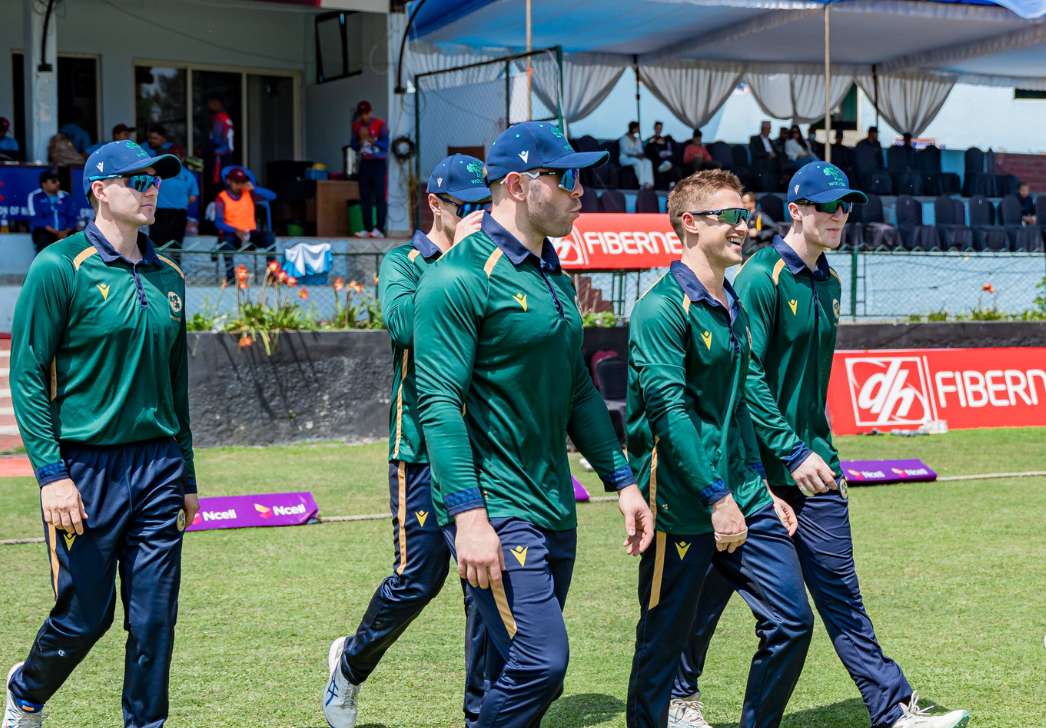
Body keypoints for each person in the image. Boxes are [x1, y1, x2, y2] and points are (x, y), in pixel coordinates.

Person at [669, 162, 972, 728]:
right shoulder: (760, 277)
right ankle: (679, 697)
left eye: (845, 206)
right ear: (796, 211)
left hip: (815, 467)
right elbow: (747, 377)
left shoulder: (829, 282)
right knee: (708, 598)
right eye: (827, 206)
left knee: (840, 592)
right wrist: (785, 453)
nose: (839, 215)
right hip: (757, 469)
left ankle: (893, 708)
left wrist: (815, 451)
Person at [414, 122, 653, 728]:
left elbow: (578, 389)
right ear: (519, 186)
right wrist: (468, 517)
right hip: (495, 505)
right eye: (567, 178)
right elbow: (438, 402)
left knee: (506, 668)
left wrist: (622, 482)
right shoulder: (457, 277)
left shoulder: (553, 272)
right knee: (542, 660)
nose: (581, 192)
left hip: (553, 504)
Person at [3, 140, 199, 728]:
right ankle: (27, 692)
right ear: (99, 191)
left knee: (154, 617)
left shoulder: (171, 277)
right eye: (136, 181)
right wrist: (51, 475)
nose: (150, 190)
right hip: (85, 469)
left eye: (155, 181)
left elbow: (177, 384)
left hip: (160, 467)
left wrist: (186, 473)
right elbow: (27, 375)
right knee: (86, 617)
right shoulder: (60, 267)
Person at [624, 169, 812, 728]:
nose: (743, 226)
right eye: (728, 216)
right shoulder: (661, 309)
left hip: (745, 493)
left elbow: (742, 400)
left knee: (792, 622)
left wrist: (757, 481)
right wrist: (715, 495)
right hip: (684, 504)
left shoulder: (733, 302)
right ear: (689, 223)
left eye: (745, 215)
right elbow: (669, 414)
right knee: (662, 646)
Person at [323, 154, 494, 728]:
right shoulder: (405, 261)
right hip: (419, 448)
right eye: (466, 207)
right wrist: (454, 258)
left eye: (485, 206)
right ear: (437, 206)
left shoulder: (494, 263)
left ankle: (482, 715)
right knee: (418, 580)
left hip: (482, 452)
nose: (478, 218)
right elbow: (404, 326)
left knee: (484, 587)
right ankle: (349, 665)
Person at [212, 166, 275, 282]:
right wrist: (235, 230)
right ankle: (230, 276)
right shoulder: (221, 198)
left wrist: (255, 189)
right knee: (227, 241)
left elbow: (272, 196)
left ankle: (271, 275)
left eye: (242, 182)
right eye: (236, 182)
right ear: (228, 181)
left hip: (249, 233)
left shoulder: (249, 193)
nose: (239, 185)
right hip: (232, 233)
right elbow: (218, 223)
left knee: (269, 237)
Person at [150, 144, 200, 257]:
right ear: (182, 158)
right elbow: (192, 198)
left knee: (156, 246)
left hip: (162, 212)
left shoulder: (159, 173)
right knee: (175, 247)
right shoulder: (188, 175)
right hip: (175, 213)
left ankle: (152, 269)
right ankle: (175, 270)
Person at [351, 101, 390, 238]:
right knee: (365, 197)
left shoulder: (381, 125)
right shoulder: (356, 126)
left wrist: (369, 137)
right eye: (361, 114)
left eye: (366, 113)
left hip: (379, 163)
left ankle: (379, 228)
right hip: (365, 163)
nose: (364, 117)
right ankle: (367, 228)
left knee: (380, 196)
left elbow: (386, 145)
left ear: (370, 112)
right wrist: (361, 139)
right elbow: (353, 145)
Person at [27, 170, 77, 254]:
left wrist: (65, 232)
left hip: (65, 232)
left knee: (78, 237)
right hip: (47, 232)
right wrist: (57, 232)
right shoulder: (35, 196)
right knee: (41, 235)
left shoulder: (66, 196)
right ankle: (44, 265)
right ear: (44, 184)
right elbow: (36, 219)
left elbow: (72, 218)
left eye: (58, 180)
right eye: (54, 181)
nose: (58, 183)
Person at [202, 92, 235, 187]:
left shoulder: (218, 118)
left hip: (219, 160)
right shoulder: (226, 118)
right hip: (229, 158)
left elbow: (216, 141)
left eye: (209, 103)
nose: (207, 106)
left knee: (216, 188)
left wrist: (203, 152)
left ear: (214, 103)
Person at [619, 121, 655, 189]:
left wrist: (639, 155)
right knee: (638, 163)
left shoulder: (637, 139)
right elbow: (625, 150)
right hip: (626, 158)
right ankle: (642, 183)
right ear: (633, 129)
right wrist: (635, 154)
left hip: (637, 157)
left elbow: (640, 150)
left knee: (648, 162)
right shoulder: (623, 138)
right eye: (637, 128)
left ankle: (649, 183)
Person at [742, 190, 777, 257]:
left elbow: (775, 230)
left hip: (756, 255)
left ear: (753, 203)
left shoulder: (760, 216)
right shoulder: (745, 216)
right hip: (745, 255)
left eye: (745, 203)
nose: (743, 205)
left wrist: (758, 233)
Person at [645, 121, 679, 189]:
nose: (658, 130)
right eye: (657, 128)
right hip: (656, 160)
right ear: (654, 128)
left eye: (660, 128)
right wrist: (654, 142)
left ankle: (672, 183)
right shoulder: (650, 140)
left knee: (673, 164)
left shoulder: (665, 140)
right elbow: (646, 149)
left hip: (666, 159)